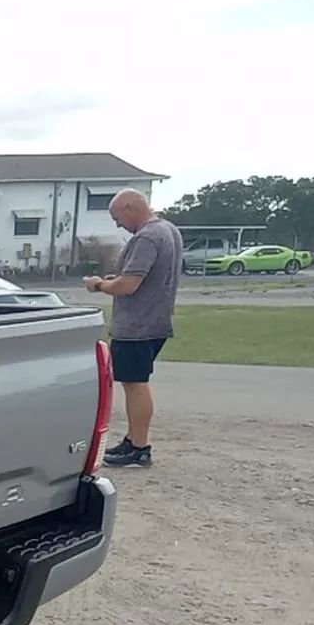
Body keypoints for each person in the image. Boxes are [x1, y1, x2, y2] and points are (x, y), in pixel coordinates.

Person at [83, 189, 181, 468]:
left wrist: (99, 285)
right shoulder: (168, 230)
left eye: (117, 218)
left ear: (130, 208)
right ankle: (133, 439)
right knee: (134, 382)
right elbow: (141, 277)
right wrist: (119, 279)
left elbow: (129, 285)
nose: (118, 225)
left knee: (135, 384)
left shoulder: (147, 237)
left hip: (138, 324)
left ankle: (139, 447)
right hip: (157, 319)